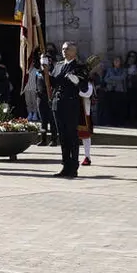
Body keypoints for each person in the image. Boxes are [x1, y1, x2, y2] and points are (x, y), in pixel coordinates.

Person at [47, 41, 89, 178]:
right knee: (62, 137)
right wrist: (44, 70)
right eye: (63, 49)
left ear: (74, 52)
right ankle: (65, 165)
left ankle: (73, 166)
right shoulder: (58, 65)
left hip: (71, 104)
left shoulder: (79, 67)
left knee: (72, 136)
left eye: (68, 49)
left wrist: (77, 81)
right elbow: (52, 83)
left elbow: (84, 88)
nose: (64, 51)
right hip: (57, 104)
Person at [101, 56, 128, 127]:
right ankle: (109, 122)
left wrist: (112, 77)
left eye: (118, 60)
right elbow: (106, 79)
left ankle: (118, 123)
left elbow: (122, 77)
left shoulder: (124, 70)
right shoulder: (109, 69)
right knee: (110, 107)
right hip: (110, 90)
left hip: (119, 91)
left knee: (118, 107)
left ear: (121, 62)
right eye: (115, 60)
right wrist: (114, 79)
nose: (116, 62)